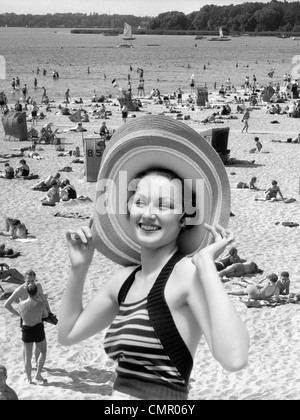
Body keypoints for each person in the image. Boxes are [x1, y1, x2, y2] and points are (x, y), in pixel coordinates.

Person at [58, 115, 249, 401]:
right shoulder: (124, 279)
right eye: (140, 202)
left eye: (164, 205)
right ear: (128, 209)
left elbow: (234, 359)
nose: (148, 213)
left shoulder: (187, 274)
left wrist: (207, 267)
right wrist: (79, 269)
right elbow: (68, 334)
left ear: (184, 219)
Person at [18, 284, 48, 384]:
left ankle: (29, 379)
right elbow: (45, 315)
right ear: (37, 292)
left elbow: (21, 315)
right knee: (43, 352)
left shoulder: (21, 304)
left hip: (26, 330)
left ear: (27, 292)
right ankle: (38, 374)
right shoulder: (40, 304)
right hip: (38, 329)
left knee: (27, 356)